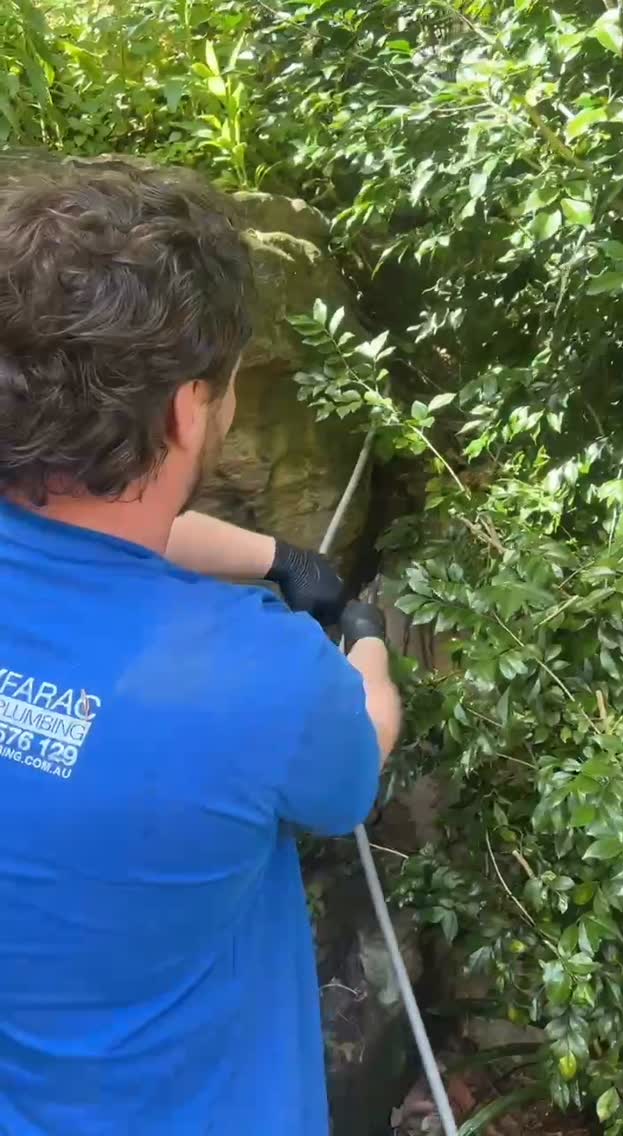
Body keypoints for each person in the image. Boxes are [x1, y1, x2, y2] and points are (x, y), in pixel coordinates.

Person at [0, 161, 402, 1135]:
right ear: (188, 407)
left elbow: (94, 530)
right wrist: (365, 643)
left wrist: (276, 556)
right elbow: (356, 758)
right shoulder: (258, 679)